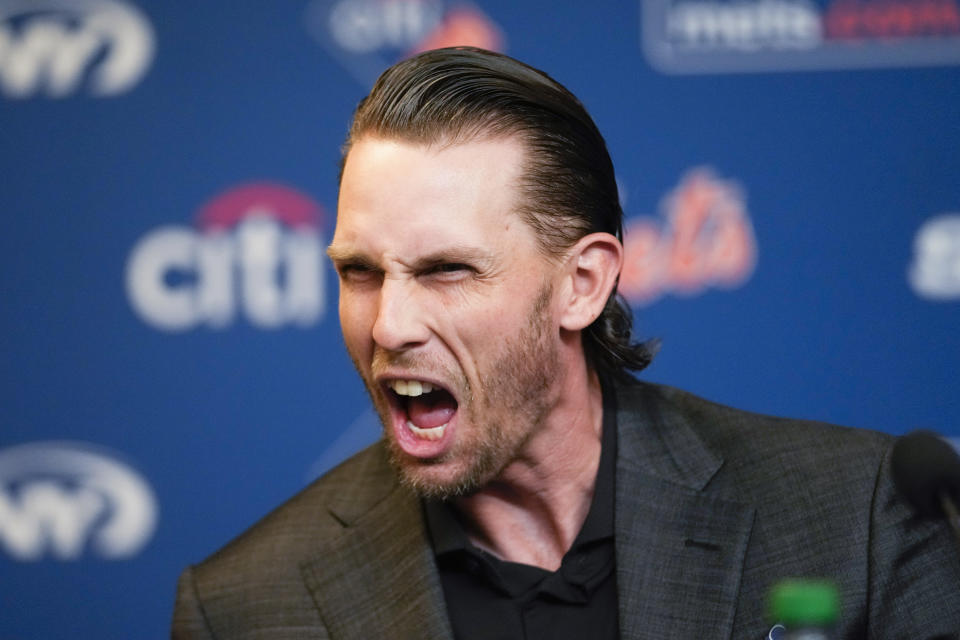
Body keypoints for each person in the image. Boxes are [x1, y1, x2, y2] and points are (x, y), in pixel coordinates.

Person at [172, 47, 960, 639]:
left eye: (446, 270)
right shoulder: (241, 607)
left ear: (581, 285)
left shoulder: (858, 518)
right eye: (359, 271)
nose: (389, 325)